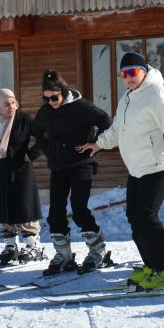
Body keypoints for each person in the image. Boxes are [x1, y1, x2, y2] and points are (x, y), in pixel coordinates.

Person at [79, 52, 164, 290]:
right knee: (135, 217)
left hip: (159, 165)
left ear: (144, 71)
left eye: (132, 72)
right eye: (124, 74)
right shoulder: (128, 98)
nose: (128, 78)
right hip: (138, 167)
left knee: (147, 217)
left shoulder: (157, 93)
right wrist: (98, 143)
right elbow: (118, 130)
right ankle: (153, 265)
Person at [31, 69, 114, 275]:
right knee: (55, 214)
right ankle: (64, 256)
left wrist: (95, 144)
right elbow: (37, 130)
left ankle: (98, 251)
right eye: (46, 97)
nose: (51, 101)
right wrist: (48, 149)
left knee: (79, 209)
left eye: (55, 97)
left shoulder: (81, 107)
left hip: (81, 164)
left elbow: (106, 121)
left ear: (63, 91)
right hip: (58, 167)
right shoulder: (46, 111)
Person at [0, 89, 45, 268]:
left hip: (21, 168)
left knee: (25, 204)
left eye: (13, 102)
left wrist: (32, 154)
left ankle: (33, 246)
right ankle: (10, 246)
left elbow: (43, 137)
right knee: (4, 205)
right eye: (7, 104)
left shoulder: (25, 119)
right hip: (2, 169)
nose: (12, 107)